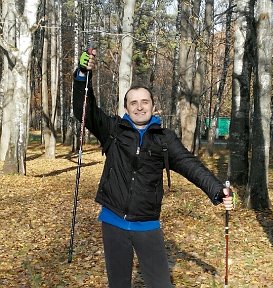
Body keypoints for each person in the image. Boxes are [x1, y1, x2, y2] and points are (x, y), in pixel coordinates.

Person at [73, 50, 233, 288]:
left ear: (153, 106)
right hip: (113, 220)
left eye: (144, 102)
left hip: (147, 224)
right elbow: (83, 110)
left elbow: (190, 165)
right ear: (126, 108)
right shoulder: (113, 130)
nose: (139, 107)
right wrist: (82, 75)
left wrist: (218, 190)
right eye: (133, 103)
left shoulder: (164, 138)